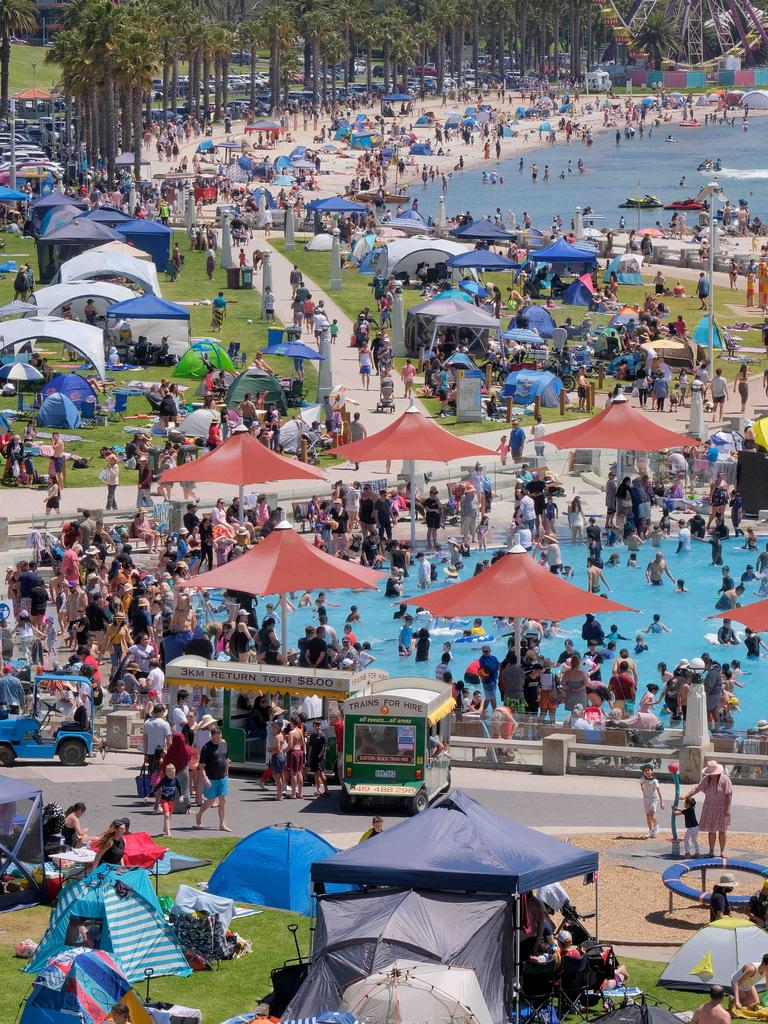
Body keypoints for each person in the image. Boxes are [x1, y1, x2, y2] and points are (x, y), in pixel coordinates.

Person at [685, 760, 733, 857]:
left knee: (722, 830)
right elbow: (697, 788)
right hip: (709, 808)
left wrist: (728, 809)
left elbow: (729, 795)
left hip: (722, 809)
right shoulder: (706, 779)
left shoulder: (725, 779)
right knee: (712, 831)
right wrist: (687, 795)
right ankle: (711, 851)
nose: (711, 775)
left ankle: (722, 851)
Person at [196, 725, 231, 831]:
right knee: (210, 801)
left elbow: (226, 760)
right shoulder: (206, 748)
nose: (218, 739)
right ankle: (199, 814)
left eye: (219, 737)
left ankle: (222, 824)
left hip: (223, 777)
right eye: (216, 737)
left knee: (223, 800)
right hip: (211, 778)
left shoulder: (224, 745)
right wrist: (205, 778)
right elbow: (201, 766)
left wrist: (227, 776)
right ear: (212, 736)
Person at [152, 763, 182, 837]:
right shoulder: (164, 780)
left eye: (174, 774)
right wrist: (148, 794)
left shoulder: (176, 779)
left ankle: (165, 828)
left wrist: (181, 796)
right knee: (167, 815)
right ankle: (168, 834)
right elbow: (157, 787)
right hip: (164, 799)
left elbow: (179, 787)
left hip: (172, 800)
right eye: (171, 774)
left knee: (169, 816)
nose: (173, 775)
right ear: (167, 773)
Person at [640, 764, 664, 838]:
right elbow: (641, 784)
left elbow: (659, 791)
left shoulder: (654, 781)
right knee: (647, 815)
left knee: (651, 814)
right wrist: (643, 790)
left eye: (648, 770)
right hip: (646, 799)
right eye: (645, 771)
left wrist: (662, 802)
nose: (647, 772)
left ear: (652, 771)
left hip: (653, 799)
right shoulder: (643, 779)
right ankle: (650, 831)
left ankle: (656, 826)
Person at [307, 719, 328, 797]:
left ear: (320, 726)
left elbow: (324, 747)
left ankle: (326, 790)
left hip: (320, 758)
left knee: (321, 774)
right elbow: (311, 747)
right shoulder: (312, 736)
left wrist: (320, 754)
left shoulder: (322, 735)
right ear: (313, 726)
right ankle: (318, 790)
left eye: (318, 726)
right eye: (315, 726)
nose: (317, 727)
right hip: (313, 757)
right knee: (316, 774)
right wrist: (309, 758)